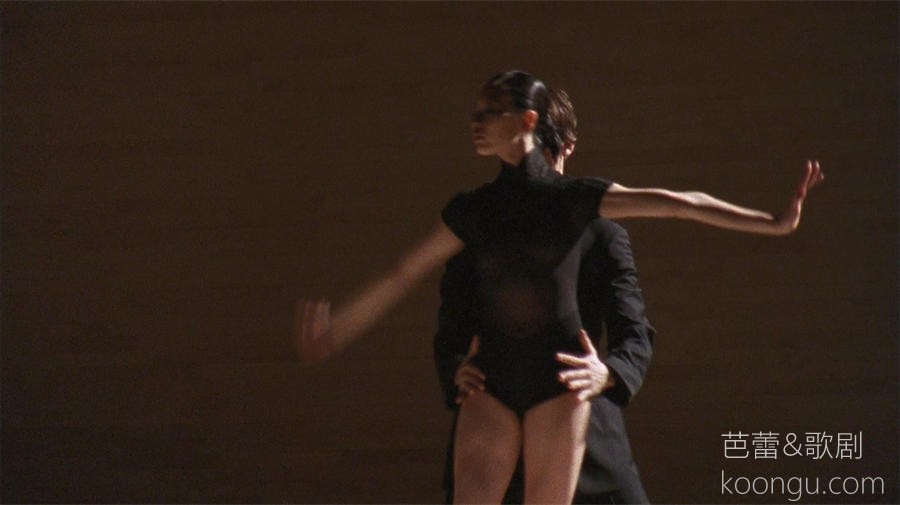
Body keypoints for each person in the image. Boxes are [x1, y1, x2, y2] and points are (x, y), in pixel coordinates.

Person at [293, 70, 823, 503]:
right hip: (492, 383)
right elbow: (403, 273)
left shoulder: (574, 203)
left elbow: (678, 203)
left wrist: (773, 222)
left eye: (490, 113)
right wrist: (338, 329)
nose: (476, 123)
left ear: (527, 120)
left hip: (561, 384)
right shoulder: (473, 212)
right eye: (476, 113)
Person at [434, 86, 653, 504]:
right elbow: (452, 326)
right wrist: (455, 369)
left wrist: (607, 374)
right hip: (496, 439)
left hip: (586, 445)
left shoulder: (600, 232)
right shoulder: (479, 223)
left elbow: (634, 335)